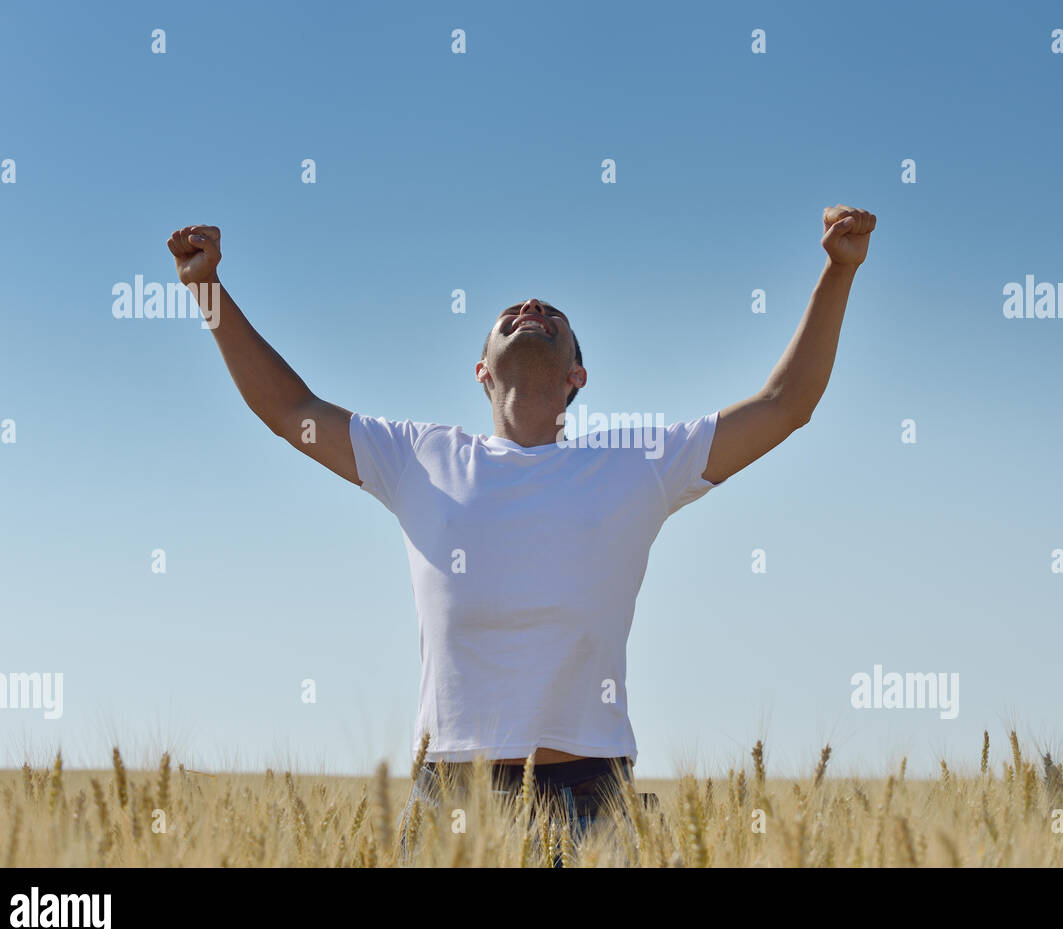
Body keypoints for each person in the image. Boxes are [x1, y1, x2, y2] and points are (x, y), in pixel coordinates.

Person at [167, 205, 875, 861]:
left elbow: (786, 406)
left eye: (551, 314)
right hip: (451, 796)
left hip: (592, 796)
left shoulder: (634, 463)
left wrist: (838, 270)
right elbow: (291, 409)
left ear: (576, 375)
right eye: (512, 311)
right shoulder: (419, 456)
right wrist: (208, 290)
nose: (530, 307)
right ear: (481, 371)